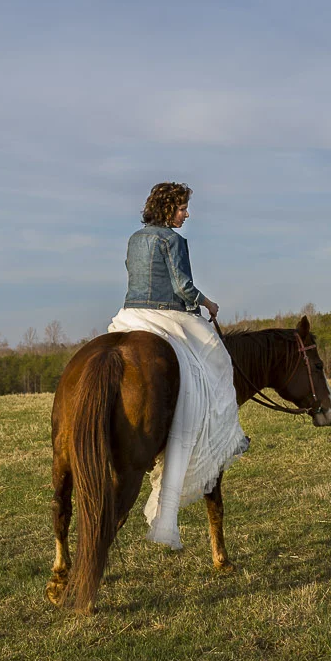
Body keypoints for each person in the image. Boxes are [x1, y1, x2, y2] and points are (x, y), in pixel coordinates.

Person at [108, 182, 250, 549]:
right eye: (183, 208)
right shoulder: (174, 241)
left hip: (129, 315)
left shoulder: (134, 239)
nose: (187, 214)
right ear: (169, 208)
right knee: (219, 360)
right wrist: (209, 303)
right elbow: (183, 287)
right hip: (166, 316)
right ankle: (227, 434)